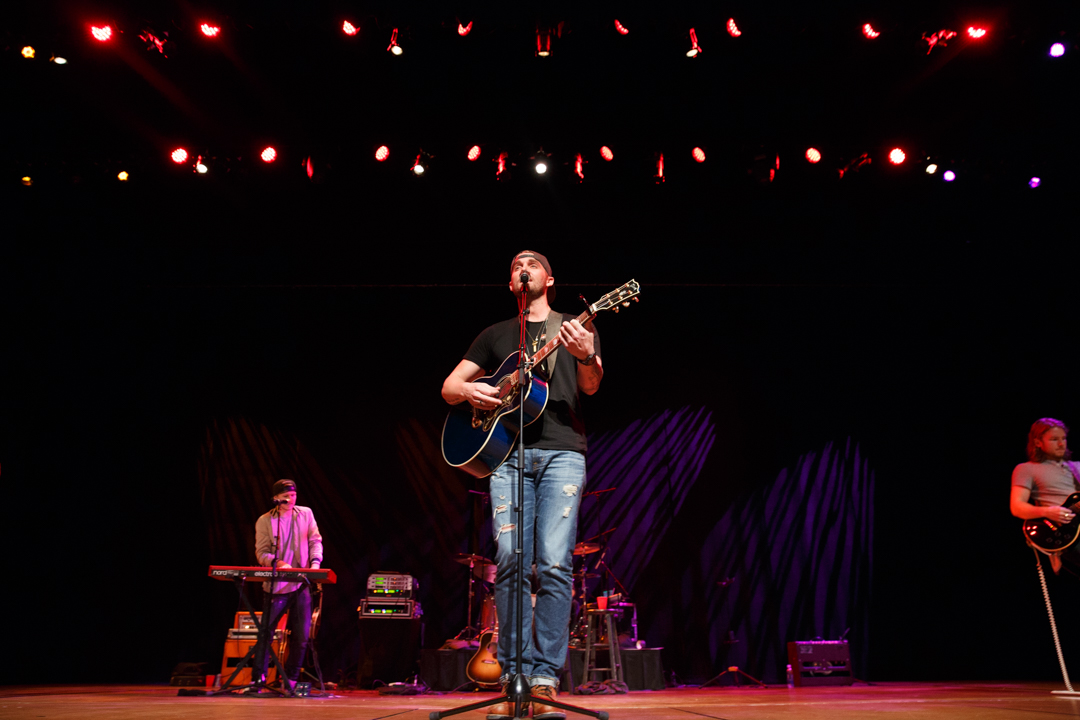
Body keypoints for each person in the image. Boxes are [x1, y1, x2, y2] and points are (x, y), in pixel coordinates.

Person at [442, 250, 602, 719]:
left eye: (530, 265)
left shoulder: (574, 325)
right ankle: (515, 677)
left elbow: (591, 385)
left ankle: (545, 680)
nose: (521, 270)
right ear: (511, 281)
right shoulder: (494, 335)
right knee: (511, 560)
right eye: (515, 265)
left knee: (553, 564)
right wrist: (474, 391)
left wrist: (586, 355)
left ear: (548, 279)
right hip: (506, 457)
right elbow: (450, 387)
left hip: (562, 453)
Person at [251, 478, 324, 687]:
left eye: (293, 495)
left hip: (300, 585)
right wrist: (278, 562)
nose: (291, 500)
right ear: (276, 499)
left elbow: (315, 540)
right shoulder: (265, 520)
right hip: (276, 587)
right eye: (285, 497)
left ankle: (291, 679)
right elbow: (261, 552)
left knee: (301, 637)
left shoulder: (306, 513)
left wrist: (315, 563)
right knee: (266, 635)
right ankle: (259, 679)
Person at [1011, 418, 1080, 573]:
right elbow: (1016, 507)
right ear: (1037, 443)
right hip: (1062, 534)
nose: (1062, 444)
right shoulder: (1026, 469)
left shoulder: (1077, 467)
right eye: (1054, 439)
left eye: (1063, 438)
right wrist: (1048, 512)